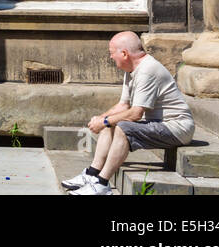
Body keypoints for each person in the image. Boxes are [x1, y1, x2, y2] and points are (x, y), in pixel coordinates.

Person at [63, 31, 195, 195]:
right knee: (110, 121)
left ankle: (102, 184)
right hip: (159, 124)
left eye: (112, 53)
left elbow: (135, 114)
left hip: (177, 128)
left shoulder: (147, 70)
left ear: (124, 53)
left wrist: (104, 121)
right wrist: (102, 118)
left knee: (123, 128)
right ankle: (92, 174)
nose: (111, 58)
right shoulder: (131, 69)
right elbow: (123, 106)